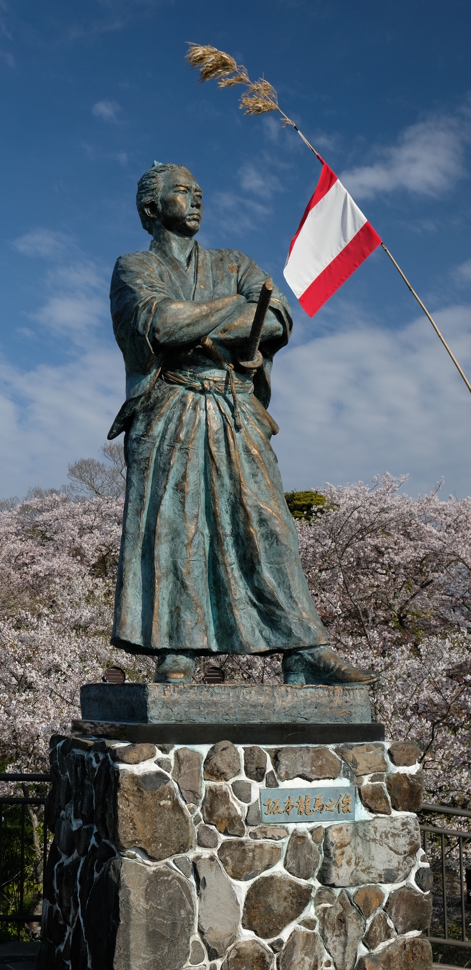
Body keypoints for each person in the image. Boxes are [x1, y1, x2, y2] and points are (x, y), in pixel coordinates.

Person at [107, 161, 376, 688]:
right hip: (172, 407)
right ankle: (177, 649)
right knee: (176, 526)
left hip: (234, 407)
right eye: (184, 191)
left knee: (267, 520)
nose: (197, 199)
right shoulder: (135, 267)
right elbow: (159, 323)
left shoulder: (233, 261)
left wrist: (207, 318)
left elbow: (275, 318)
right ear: (152, 207)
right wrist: (236, 307)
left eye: (200, 190)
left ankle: (302, 648)